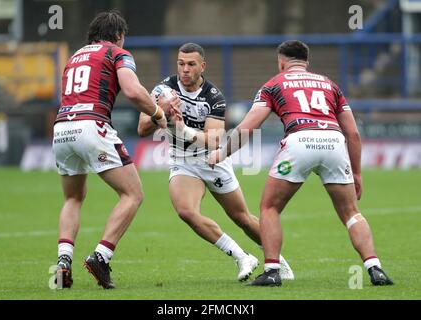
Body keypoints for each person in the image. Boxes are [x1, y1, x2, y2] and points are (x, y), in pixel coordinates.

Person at [209, 40, 394, 287]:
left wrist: (223, 153)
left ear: (281, 61)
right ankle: (375, 268)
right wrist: (357, 172)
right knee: (351, 213)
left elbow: (249, 125)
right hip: (334, 142)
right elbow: (353, 133)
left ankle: (273, 271)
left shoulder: (274, 84)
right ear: (306, 62)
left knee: (269, 208)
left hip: (300, 141)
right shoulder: (330, 85)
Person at [138, 43, 294, 282]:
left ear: (203, 66)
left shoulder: (213, 96)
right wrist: (160, 110)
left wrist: (183, 129)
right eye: (181, 64)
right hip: (182, 161)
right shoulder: (163, 89)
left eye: (191, 64)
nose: (185, 70)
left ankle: (277, 260)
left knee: (241, 217)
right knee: (186, 211)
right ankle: (242, 256)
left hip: (211, 161)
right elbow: (142, 128)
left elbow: (213, 140)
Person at [52, 11, 167, 289]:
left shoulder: (74, 57)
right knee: (132, 194)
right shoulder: (116, 52)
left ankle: (63, 263)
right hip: (92, 126)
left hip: (62, 128)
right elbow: (133, 91)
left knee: (73, 198)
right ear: (119, 36)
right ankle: (101, 257)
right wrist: (157, 112)